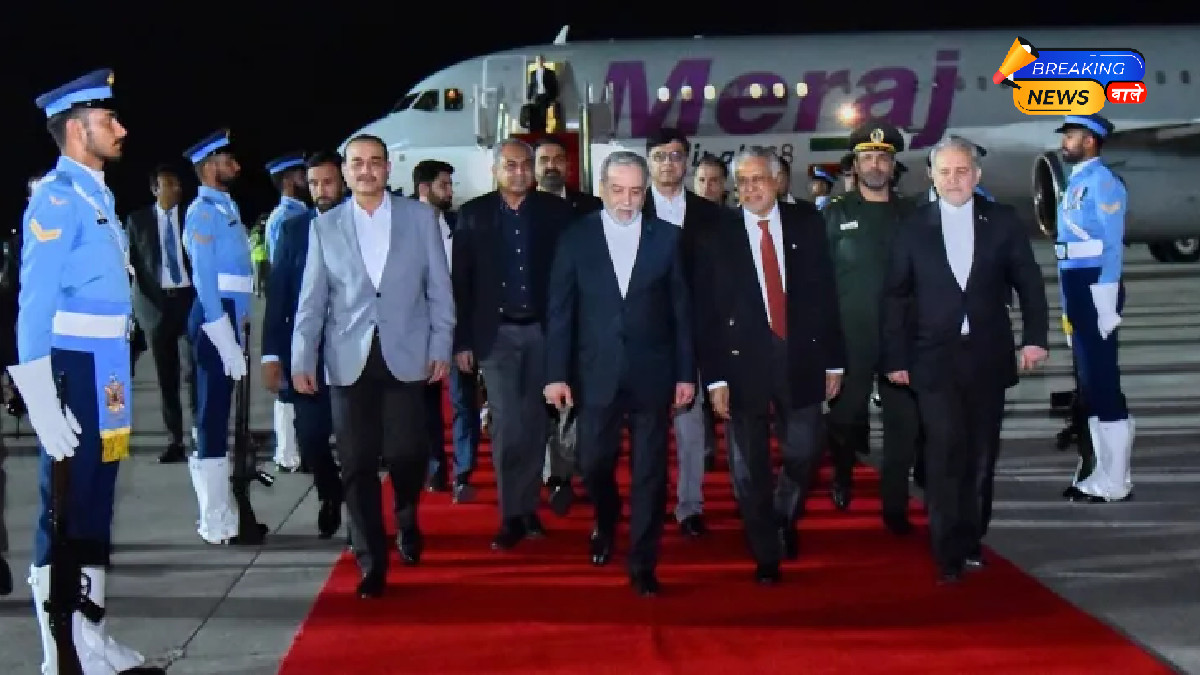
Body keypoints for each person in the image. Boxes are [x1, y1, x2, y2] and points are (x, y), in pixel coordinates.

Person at [11, 67, 165, 674]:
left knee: (97, 503)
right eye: (109, 121)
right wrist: (40, 396)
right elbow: (34, 303)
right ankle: (61, 652)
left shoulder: (95, 195)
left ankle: (92, 639)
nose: (121, 130)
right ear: (77, 130)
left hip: (108, 370)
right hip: (73, 368)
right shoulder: (55, 197)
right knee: (64, 505)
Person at [881, 135, 1049, 583]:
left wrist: (1035, 339)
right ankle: (947, 550)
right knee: (943, 452)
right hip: (933, 359)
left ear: (976, 175)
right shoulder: (911, 227)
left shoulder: (1002, 221)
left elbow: (1029, 283)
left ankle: (972, 536)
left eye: (962, 171)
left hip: (988, 356)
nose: (954, 180)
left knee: (980, 455)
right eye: (945, 172)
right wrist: (895, 357)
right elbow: (896, 297)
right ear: (931, 178)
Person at [292, 134, 454, 598]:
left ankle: (406, 514)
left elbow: (439, 290)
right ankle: (371, 560)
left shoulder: (420, 218)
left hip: (407, 354)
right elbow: (312, 301)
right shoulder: (325, 227)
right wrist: (302, 357)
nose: (366, 170)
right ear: (346, 172)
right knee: (357, 463)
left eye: (375, 162)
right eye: (357, 163)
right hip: (348, 359)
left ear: (388, 168)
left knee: (407, 454)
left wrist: (441, 345)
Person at [544, 150, 694, 597]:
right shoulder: (575, 238)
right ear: (601, 189)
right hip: (595, 372)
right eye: (617, 191)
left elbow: (682, 313)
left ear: (646, 192)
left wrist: (686, 373)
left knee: (650, 473)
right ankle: (606, 515)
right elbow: (560, 311)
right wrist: (556, 373)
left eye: (635, 192)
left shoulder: (668, 238)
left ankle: (643, 562)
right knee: (592, 462)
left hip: (653, 372)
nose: (627, 201)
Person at [692, 146, 846, 584]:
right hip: (741, 364)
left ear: (777, 181)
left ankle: (783, 513)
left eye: (758, 179)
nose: (749, 189)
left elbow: (825, 293)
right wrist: (714, 378)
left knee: (806, 450)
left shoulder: (806, 223)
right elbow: (706, 312)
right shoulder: (716, 233)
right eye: (742, 182)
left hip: (801, 355)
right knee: (748, 466)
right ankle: (765, 550)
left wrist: (834, 360)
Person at [452, 138, 574, 550]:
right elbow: (461, 284)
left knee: (536, 424)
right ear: (495, 171)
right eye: (510, 165)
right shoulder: (473, 215)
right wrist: (461, 341)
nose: (519, 172)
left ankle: (529, 508)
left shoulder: (556, 213)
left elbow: (567, 279)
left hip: (543, 332)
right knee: (508, 424)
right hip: (496, 335)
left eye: (525, 165)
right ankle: (511, 515)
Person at [820, 120, 921, 531]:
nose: (875, 164)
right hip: (851, 339)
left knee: (903, 427)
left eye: (883, 157)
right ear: (855, 165)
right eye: (868, 157)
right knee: (845, 419)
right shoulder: (836, 213)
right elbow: (819, 282)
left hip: (901, 340)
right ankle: (843, 474)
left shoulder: (912, 214)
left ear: (893, 165)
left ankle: (894, 507)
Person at [262, 150, 346, 538]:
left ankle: (360, 521)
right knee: (311, 439)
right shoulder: (295, 230)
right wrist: (271, 354)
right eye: (314, 184)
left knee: (355, 443)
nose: (321, 190)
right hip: (307, 358)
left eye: (328, 182)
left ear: (343, 182)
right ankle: (330, 493)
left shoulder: (360, 224)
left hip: (355, 355)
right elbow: (278, 294)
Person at [181, 128, 257, 546]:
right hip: (216, 316)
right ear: (210, 166)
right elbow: (205, 279)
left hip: (231, 315)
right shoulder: (203, 212)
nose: (237, 167)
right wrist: (222, 333)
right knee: (212, 415)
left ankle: (227, 510)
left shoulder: (225, 206)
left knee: (225, 412)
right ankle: (215, 520)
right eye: (229, 161)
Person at [1053, 114, 1134, 504]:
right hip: (1077, 285)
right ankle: (1102, 472)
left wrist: (1106, 295)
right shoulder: (1077, 182)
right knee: (1089, 385)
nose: (1064, 142)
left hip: (1095, 284)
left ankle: (1116, 480)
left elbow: (1112, 244)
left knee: (1102, 382)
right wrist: (1068, 306)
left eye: (1071, 136)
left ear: (1090, 141)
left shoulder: (1103, 182)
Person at [124, 164, 196, 464]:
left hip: (188, 302)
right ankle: (174, 440)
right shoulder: (137, 221)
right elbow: (131, 265)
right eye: (169, 185)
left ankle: (200, 435)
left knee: (194, 372)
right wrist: (134, 310)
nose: (176, 189)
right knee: (167, 378)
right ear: (155, 189)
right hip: (155, 307)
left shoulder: (192, 216)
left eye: (178, 184)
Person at [262, 152, 311, 472]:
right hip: (292, 310)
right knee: (288, 388)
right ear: (289, 180)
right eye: (301, 175)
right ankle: (287, 452)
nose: (307, 180)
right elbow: (281, 271)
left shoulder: (299, 214)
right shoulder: (284, 219)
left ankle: (297, 448)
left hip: (300, 309)